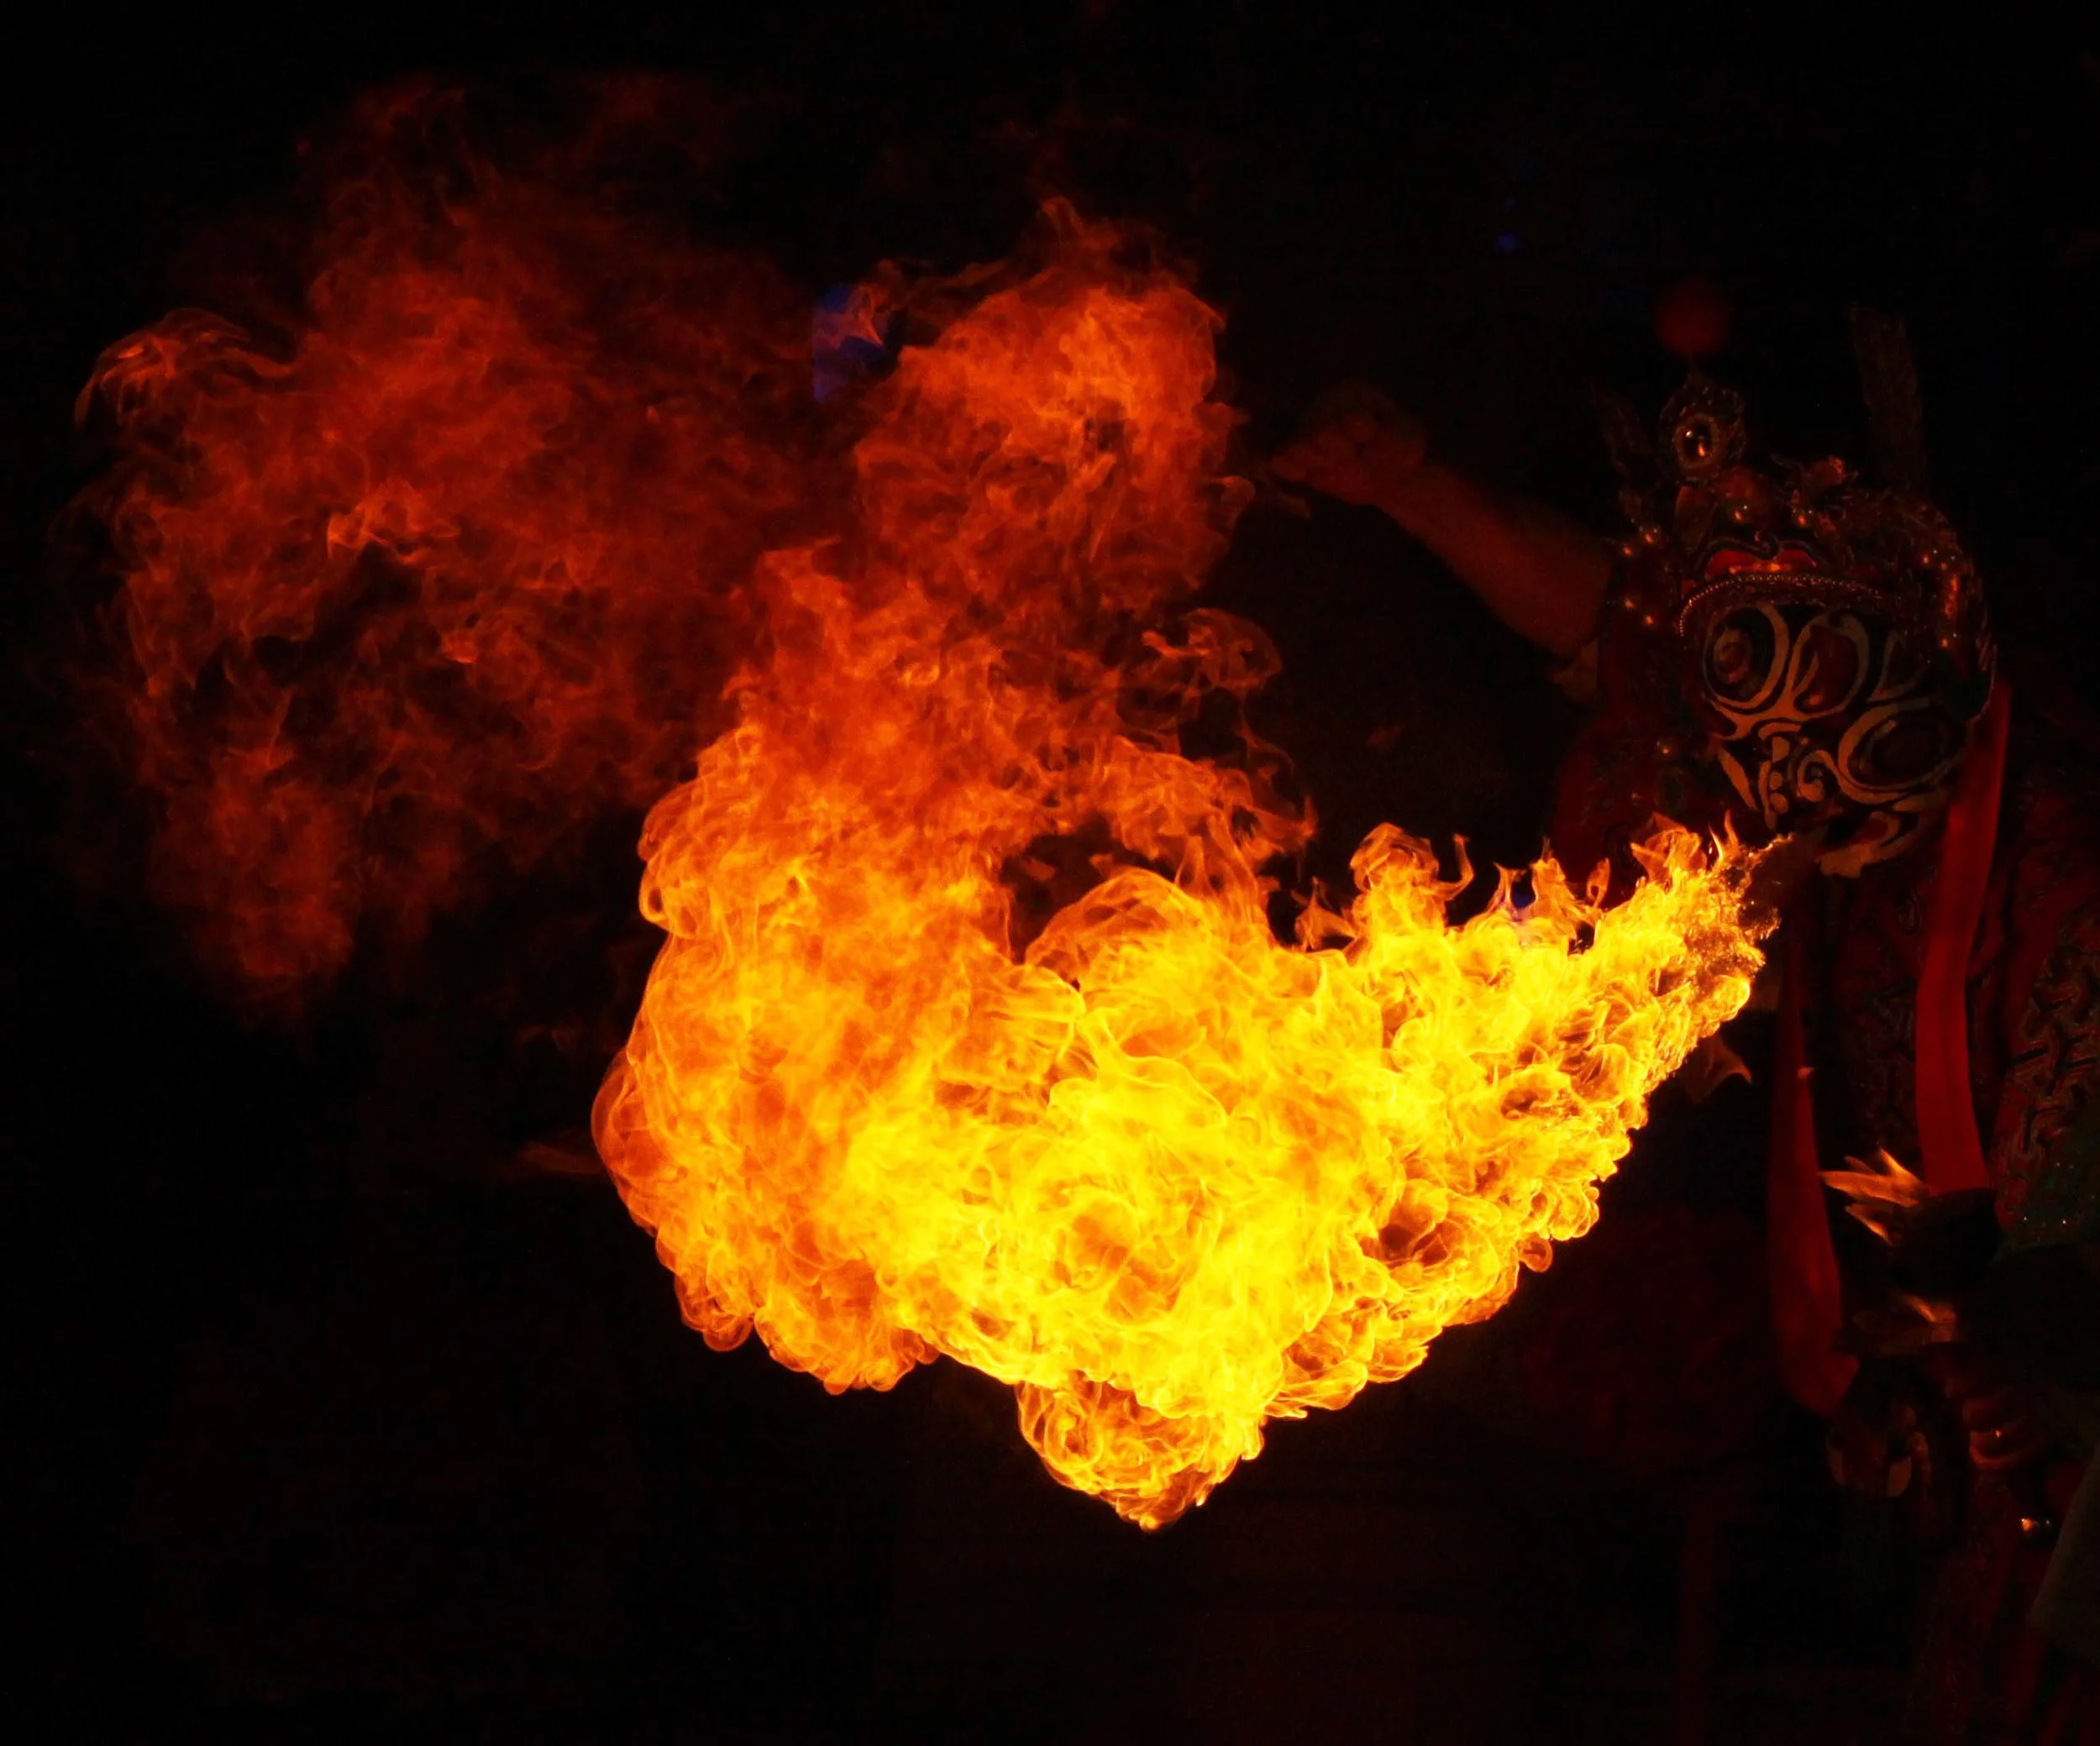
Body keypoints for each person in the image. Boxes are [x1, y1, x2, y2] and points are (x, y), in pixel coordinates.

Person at [1274, 372, 2100, 1742]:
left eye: (1817, 691)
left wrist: (2023, 1355)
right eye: (1742, 719)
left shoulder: (2064, 859)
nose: (1771, 769)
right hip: (1968, 1500)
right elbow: (1613, 635)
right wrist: (1418, 487)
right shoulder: (1819, 857)